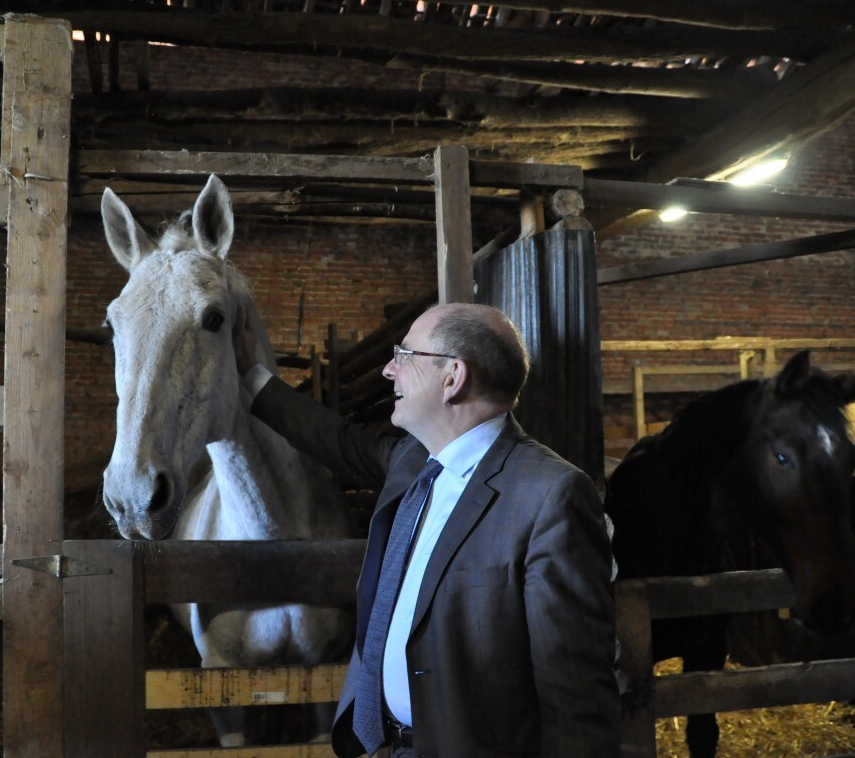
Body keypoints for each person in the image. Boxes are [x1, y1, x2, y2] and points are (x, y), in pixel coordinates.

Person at [233, 301, 621, 757]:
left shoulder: (550, 495)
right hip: (389, 748)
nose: (387, 371)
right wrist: (249, 372)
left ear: (452, 377)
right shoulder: (415, 461)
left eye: (404, 356)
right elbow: (332, 438)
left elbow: (575, 693)